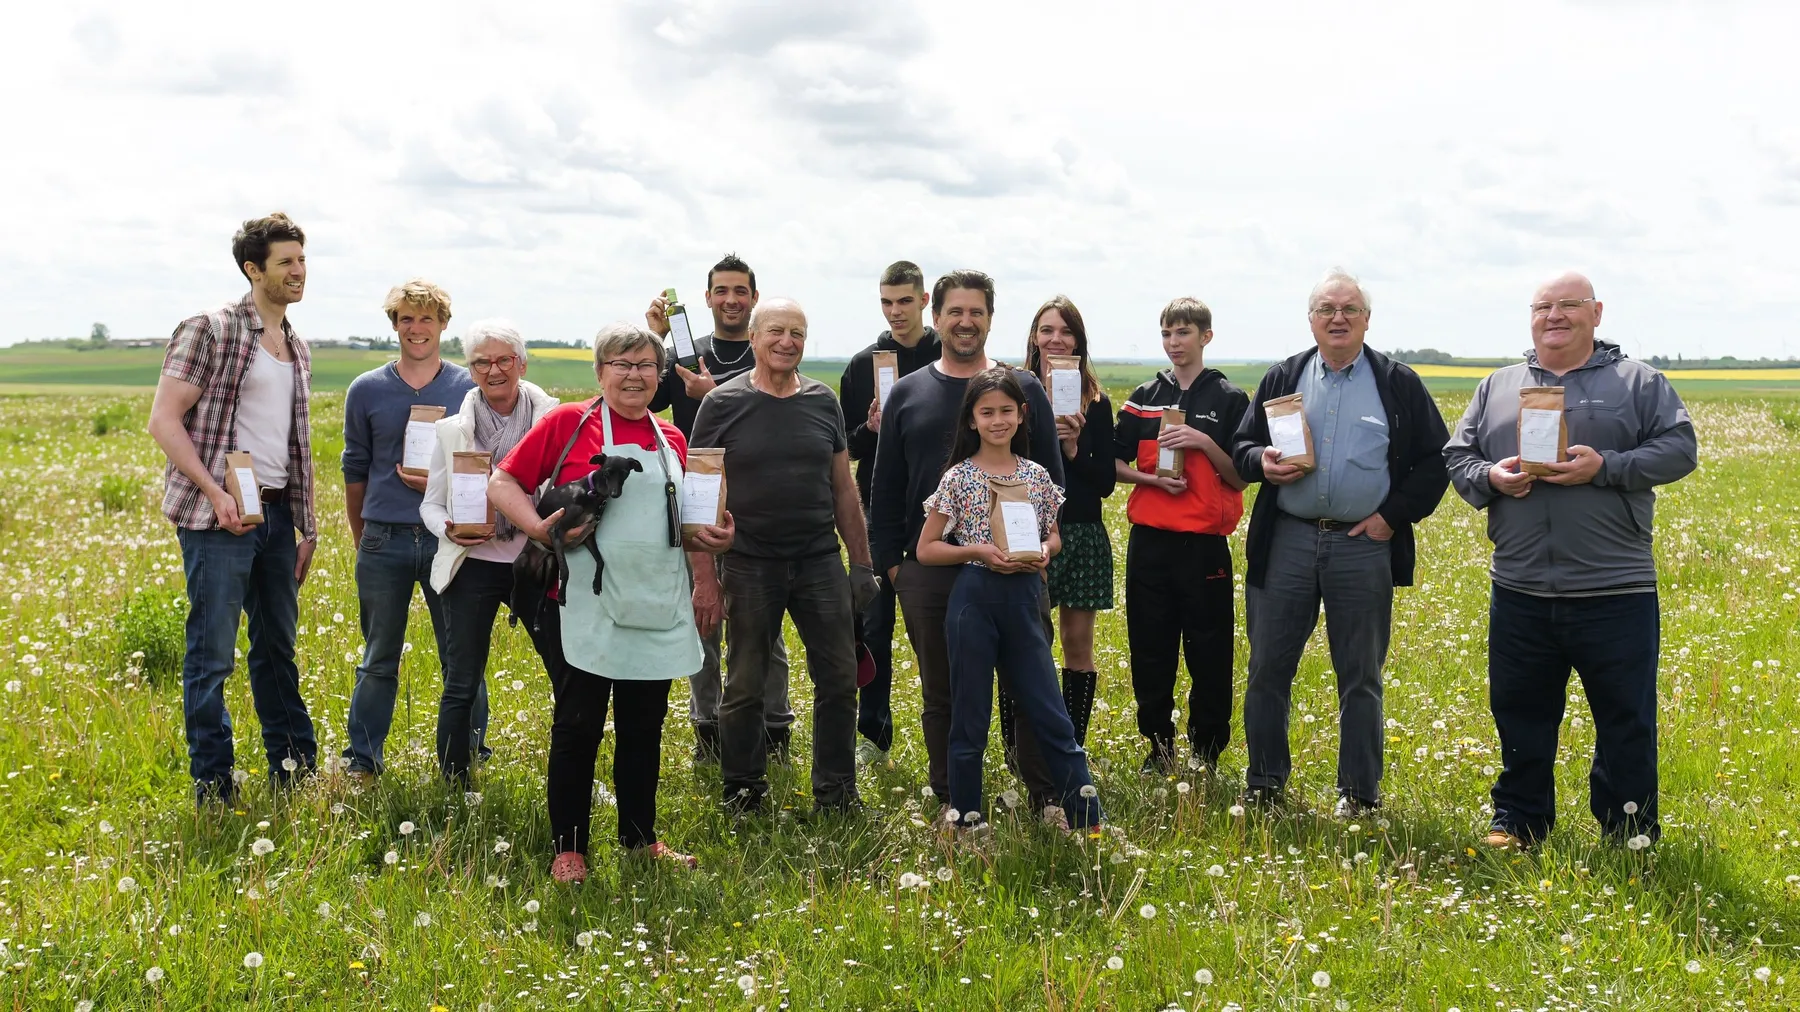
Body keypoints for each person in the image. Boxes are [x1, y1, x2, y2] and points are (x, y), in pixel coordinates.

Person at [1444, 272, 1696, 850]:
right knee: (1519, 712)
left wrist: (1605, 467)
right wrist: (1491, 477)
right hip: (1520, 585)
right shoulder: (1497, 386)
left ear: (1596, 313)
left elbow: (1680, 449)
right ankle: (1520, 820)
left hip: (1615, 587)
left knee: (1625, 717)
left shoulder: (1638, 382)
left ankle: (1629, 829)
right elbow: (1458, 456)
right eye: (1543, 307)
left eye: (1569, 305)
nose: (1554, 316)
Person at [489, 322, 735, 881]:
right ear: (600, 372)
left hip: (654, 601)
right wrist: (539, 528)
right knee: (578, 725)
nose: (634, 375)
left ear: (659, 375)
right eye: (621, 365)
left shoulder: (672, 440)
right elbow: (502, 483)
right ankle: (569, 849)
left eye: (646, 365)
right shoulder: (566, 424)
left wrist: (715, 545)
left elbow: (687, 525)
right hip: (580, 603)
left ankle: (640, 839)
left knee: (644, 727)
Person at [1231, 268, 1449, 816]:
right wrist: (1261, 463)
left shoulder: (1397, 383)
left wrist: (1391, 518)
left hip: (1363, 545)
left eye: (1349, 309)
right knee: (1267, 669)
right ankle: (1264, 785)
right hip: (1288, 540)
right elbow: (1242, 446)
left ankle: (1359, 795)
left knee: (1360, 676)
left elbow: (1436, 460)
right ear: (1310, 319)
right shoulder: (1283, 376)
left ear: (1367, 320)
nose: (1338, 318)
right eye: (1326, 309)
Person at [868, 269, 1069, 821]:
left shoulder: (1023, 390)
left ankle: (1045, 797)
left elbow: (1051, 481)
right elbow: (884, 490)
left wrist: (1043, 552)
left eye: (976, 311)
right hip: (931, 572)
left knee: (1031, 687)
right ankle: (955, 803)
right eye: (954, 311)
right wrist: (895, 570)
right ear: (935, 318)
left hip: (1018, 569)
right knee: (945, 693)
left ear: (990, 318)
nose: (965, 321)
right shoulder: (908, 393)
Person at [147, 211, 319, 804]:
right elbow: (163, 421)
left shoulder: (296, 345)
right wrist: (214, 492)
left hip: (275, 517)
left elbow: (294, 445)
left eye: (302, 259)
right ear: (253, 269)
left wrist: (307, 527)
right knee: (211, 655)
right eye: (285, 262)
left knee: (277, 649)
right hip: (217, 519)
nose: (299, 270)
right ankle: (214, 784)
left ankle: (293, 769)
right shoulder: (210, 329)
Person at [692, 298, 878, 813]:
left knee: (839, 680)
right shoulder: (722, 404)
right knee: (745, 683)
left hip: (820, 561)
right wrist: (704, 579)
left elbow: (843, 489)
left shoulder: (823, 401)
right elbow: (699, 497)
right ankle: (743, 791)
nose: (786, 341)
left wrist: (861, 564)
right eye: (776, 330)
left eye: (797, 332)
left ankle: (837, 793)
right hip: (750, 563)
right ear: (753, 338)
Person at [917, 367, 1101, 835]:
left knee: (1051, 714)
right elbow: (926, 549)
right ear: (971, 419)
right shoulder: (958, 478)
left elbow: (1053, 535)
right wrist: (977, 551)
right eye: (986, 413)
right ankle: (966, 822)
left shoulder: (1036, 475)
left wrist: (1046, 550)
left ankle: (1088, 822)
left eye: (1005, 411)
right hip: (974, 600)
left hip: (1024, 598)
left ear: (1021, 415)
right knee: (970, 716)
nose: (997, 420)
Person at [643, 254, 791, 762]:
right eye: (721, 290)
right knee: (702, 620)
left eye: (740, 291)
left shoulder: (769, 352)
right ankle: (708, 730)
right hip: (696, 503)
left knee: (762, 629)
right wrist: (657, 338)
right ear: (706, 298)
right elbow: (643, 399)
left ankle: (773, 731)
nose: (731, 300)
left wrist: (717, 395)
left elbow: (782, 414)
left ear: (754, 298)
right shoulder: (684, 352)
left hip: (758, 506)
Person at [340, 280, 477, 779]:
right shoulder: (366, 389)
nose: (416, 329)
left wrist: (439, 485)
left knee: (461, 656)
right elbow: (354, 468)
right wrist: (363, 538)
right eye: (406, 319)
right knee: (379, 656)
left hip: (449, 537)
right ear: (394, 325)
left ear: (443, 325)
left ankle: (467, 758)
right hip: (385, 537)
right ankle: (363, 761)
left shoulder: (467, 388)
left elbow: (481, 461)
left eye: (426, 319)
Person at [419, 320, 561, 783]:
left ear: (522, 364)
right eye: (482, 362)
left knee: (566, 673)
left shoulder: (554, 421)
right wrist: (447, 529)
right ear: (470, 370)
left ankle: (569, 775)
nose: (494, 370)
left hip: (537, 564)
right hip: (473, 566)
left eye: (504, 360)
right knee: (461, 681)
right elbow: (430, 503)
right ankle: (453, 782)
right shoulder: (451, 431)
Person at [1112, 298, 1249, 773]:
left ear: (1205, 336)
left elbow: (1240, 477)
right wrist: (1150, 480)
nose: (1174, 342)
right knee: (1150, 648)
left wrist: (1203, 442)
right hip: (1149, 543)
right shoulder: (1144, 396)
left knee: (1210, 651)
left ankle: (1206, 752)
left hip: (1204, 547)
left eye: (1184, 332)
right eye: (1167, 333)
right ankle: (1159, 746)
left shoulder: (1229, 399)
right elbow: (1113, 463)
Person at [838, 260, 942, 766]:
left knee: (937, 633)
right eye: (886, 302)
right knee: (873, 629)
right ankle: (873, 736)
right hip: (877, 513)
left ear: (924, 301)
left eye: (904, 301)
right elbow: (845, 446)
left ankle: (946, 730)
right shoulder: (863, 364)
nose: (895, 311)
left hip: (937, 515)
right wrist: (870, 429)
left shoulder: (945, 355)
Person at [1021, 295, 1116, 749]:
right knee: (1022, 644)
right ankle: (1019, 748)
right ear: (1034, 338)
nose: (1056, 339)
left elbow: (1105, 483)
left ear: (1078, 341)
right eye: (1047, 330)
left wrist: (1075, 449)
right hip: (1024, 531)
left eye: (1066, 331)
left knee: (1078, 645)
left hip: (1080, 531)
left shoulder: (1095, 402)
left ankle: (1070, 746)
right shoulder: (1012, 393)